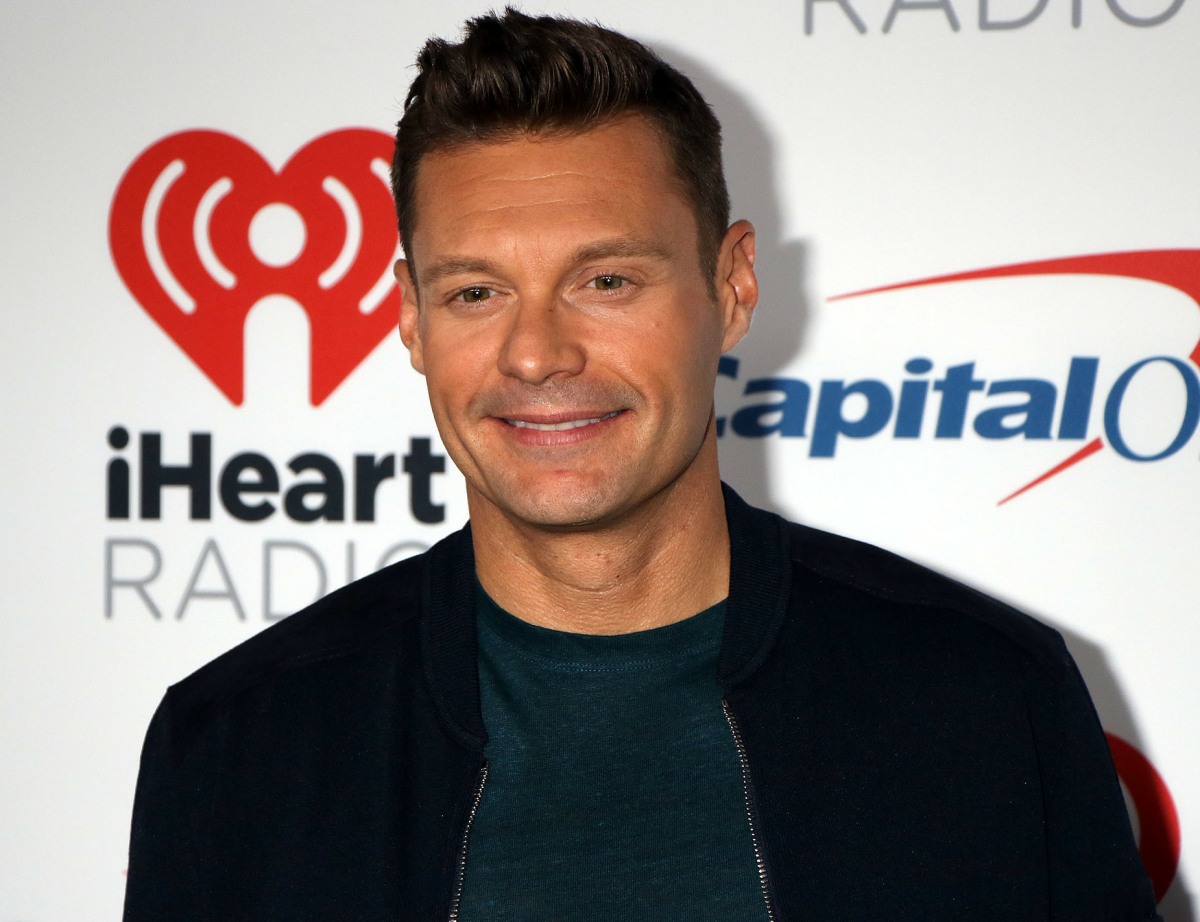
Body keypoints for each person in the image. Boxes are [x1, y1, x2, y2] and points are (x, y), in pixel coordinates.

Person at [122, 9, 1161, 921]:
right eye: (476, 292)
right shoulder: (239, 747)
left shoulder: (984, 701)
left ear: (734, 284)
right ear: (409, 319)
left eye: (606, 279)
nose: (537, 352)